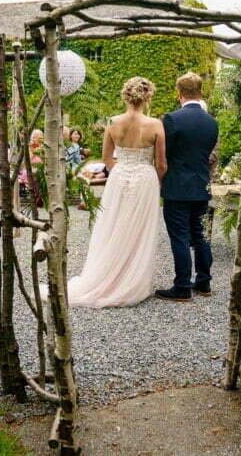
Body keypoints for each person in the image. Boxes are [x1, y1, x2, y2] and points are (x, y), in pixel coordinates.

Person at [58, 77, 167, 307]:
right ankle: (130, 281)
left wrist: (122, 170)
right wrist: (154, 181)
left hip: (118, 177)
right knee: (139, 229)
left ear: (125, 97)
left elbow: (107, 158)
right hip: (145, 179)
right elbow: (161, 164)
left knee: (114, 225)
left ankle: (107, 276)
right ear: (147, 97)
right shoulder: (156, 124)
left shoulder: (111, 122)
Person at [155, 72, 219, 302]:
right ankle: (204, 283)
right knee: (200, 236)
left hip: (177, 188)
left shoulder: (171, 119)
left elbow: (164, 155)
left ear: (179, 93)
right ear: (200, 92)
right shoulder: (212, 122)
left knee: (180, 237)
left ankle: (182, 286)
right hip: (201, 187)